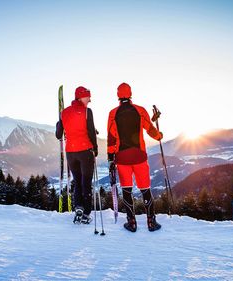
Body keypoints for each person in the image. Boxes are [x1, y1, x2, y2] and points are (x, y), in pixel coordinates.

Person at [107, 82, 162, 232]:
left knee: (127, 190)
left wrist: (110, 159)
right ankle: (151, 222)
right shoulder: (140, 110)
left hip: (122, 159)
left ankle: (131, 223)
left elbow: (111, 139)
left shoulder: (113, 113)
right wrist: (159, 136)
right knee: (145, 189)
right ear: (131, 93)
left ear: (118, 95)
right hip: (139, 157)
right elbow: (150, 129)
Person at [56, 86, 98, 224]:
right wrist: (95, 148)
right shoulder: (87, 112)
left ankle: (78, 208)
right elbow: (91, 132)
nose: (90, 100)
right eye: (88, 97)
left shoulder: (64, 113)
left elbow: (58, 135)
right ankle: (86, 213)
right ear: (80, 97)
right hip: (86, 151)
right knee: (86, 183)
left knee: (77, 181)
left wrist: (59, 123)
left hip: (71, 154)